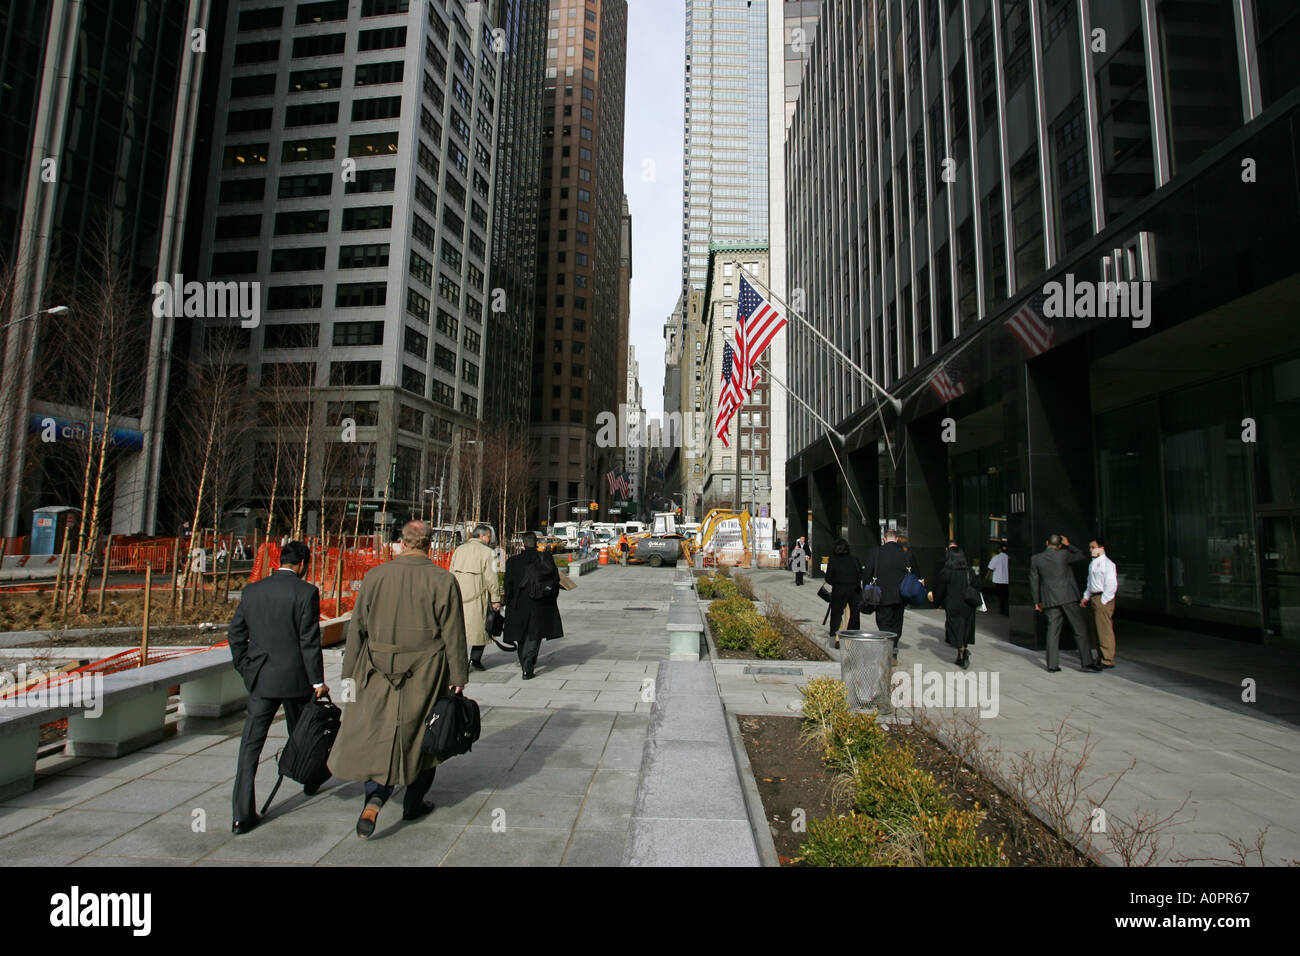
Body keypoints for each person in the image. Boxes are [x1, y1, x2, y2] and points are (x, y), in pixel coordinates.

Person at [329, 521, 468, 838]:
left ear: (401, 543)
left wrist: (349, 674)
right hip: (426, 671)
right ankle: (412, 803)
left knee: (378, 734)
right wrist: (458, 676)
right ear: (429, 545)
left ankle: (375, 796)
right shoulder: (442, 580)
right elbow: (454, 634)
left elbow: (357, 630)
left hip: (377, 667)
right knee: (423, 737)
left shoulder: (375, 576)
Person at [226, 540, 327, 835]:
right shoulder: (306, 592)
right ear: (304, 564)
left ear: (279, 560)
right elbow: (309, 641)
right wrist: (318, 681)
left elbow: (235, 635)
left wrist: (246, 668)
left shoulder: (253, 590)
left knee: (250, 747)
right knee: (303, 735)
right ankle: (310, 780)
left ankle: (241, 815)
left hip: (261, 680)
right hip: (297, 680)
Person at [1030, 534, 1098, 673]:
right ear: (1059, 545)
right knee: (1079, 629)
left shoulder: (1036, 559)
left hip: (1049, 599)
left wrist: (1037, 601)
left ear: (1046, 542)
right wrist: (1068, 544)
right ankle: (1086, 662)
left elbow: (1034, 581)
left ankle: (1052, 665)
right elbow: (1081, 554)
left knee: (1052, 632)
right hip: (1068, 597)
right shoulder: (1064, 554)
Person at [504, 531, 564, 679]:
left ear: (523, 544)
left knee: (521, 634)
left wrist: (507, 602)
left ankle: (524, 661)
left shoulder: (512, 561)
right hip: (540, 602)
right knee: (535, 634)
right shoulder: (545, 558)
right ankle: (528, 666)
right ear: (536, 542)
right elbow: (555, 580)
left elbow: (508, 585)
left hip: (519, 603)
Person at [449, 523, 502, 672]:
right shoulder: (488, 553)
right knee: (480, 630)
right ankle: (475, 659)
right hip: (477, 597)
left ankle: (460, 662)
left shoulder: (459, 550)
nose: (489, 540)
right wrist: (496, 599)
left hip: (458, 597)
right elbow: (492, 579)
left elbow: (451, 572)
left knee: (459, 631)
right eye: (488, 537)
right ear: (482, 536)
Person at [863, 527, 914, 659]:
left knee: (883, 621)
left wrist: (866, 587)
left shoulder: (876, 552)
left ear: (884, 539)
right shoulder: (906, 553)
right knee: (897, 622)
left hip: (881, 595)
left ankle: (888, 647)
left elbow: (867, 572)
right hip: (901, 595)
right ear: (897, 539)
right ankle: (894, 646)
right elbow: (914, 572)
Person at [929, 543, 977, 669]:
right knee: (966, 627)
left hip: (953, 604)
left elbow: (940, 589)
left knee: (954, 628)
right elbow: (977, 585)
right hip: (968, 604)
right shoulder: (969, 571)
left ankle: (961, 649)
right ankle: (962, 652)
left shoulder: (947, 571)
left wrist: (937, 602)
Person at [1081, 537, 1118, 669]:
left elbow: (1111, 584)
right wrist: (1086, 596)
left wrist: (1104, 600)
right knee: (1096, 629)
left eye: (1093, 547)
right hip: (1095, 597)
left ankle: (1107, 658)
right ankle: (1101, 656)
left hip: (1103, 598)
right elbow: (1090, 582)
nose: (1091, 550)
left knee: (1104, 629)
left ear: (1101, 548)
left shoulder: (1108, 564)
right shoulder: (1093, 563)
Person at [824, 538, 863, 648]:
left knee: (837, 615)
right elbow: (860, 574)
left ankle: (837, 639)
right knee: (851, 615)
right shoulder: (854, 559)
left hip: (839, 591)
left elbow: (828, 578)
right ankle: (850, 639)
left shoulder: (833, 560)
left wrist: (837, 583)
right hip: (853, 591)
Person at [986, 543, 1010, 615]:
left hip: (998, 580)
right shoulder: (1008, 558)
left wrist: (987, 576)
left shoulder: (996, 558)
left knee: (1000, 595)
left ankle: (1002, 609)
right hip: (1006, 580)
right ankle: (1006, 609)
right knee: (1006, 595)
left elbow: (990, 568)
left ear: (999, 550)